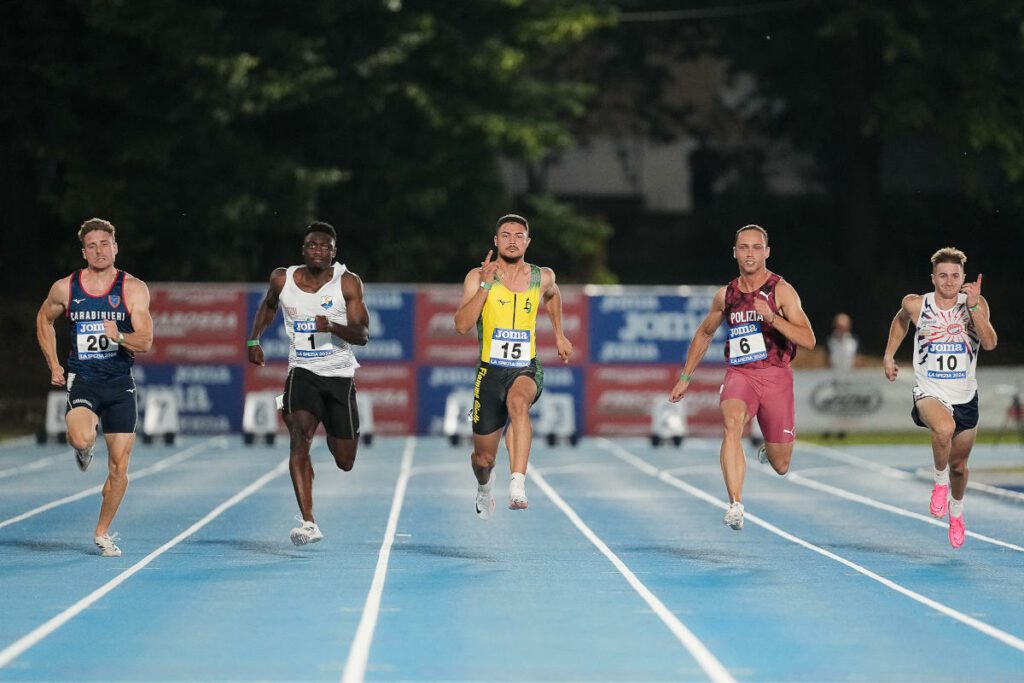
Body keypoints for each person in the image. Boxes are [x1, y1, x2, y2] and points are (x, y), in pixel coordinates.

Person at [668, 224, 816, 530]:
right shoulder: (726, 295)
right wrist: (685, 376)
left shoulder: (781, 290)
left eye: (756, 247)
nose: (750, 254)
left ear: (767, 252)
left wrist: (773, 318)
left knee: (781, 464)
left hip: (776, 376)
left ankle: (770, 445)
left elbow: (809, 339)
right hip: (741, 374)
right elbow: (704, 334)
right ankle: (735, 504)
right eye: (744, 248)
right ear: (735, 252)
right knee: (731, 425)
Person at [35, 218, 154, 557]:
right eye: (92, 245)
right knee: (82, 437)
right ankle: (83, 449)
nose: (99, 250)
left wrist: (116, 334)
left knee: (119, 467)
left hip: (119, 384)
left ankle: (102, 532)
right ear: (84, 251)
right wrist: (54, 364)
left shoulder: (132, 288)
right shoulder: (66, 288)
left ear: (115, 247)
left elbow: (145, 341)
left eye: (105, 244)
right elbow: (44, 319)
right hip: (84, 379)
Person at [247, 221, 369, 546]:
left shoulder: (347, 283)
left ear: (333, 252)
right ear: (303, 249)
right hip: (301, 371)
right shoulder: (282, 278)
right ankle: (308, 521)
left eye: (324, 246)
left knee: (345, 460)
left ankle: (332, 433)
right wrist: (253, 340)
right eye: (312, 245)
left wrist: (331, 326)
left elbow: (363, 334)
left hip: (339, 376)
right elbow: (269, 305)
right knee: (299, 437)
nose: (318, 251)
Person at [453, 214, 573, 518]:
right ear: (496, 240)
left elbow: (553, 294)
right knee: (483, 459)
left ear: (528, 242)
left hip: (526, 367)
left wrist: (559, 334)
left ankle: (517, 484)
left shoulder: (541, 276)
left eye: (519, 236)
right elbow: (462, 326)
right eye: (505, 235)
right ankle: (484, 487)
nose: (512, 240)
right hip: (489, 372)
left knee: (519, 403)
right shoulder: (477, 276)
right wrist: (485, 285)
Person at [883, 247, 997, 549]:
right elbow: (900, 320)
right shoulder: (917, 304)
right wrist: (888, 355)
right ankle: (938, 481)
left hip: (965, 396)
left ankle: (956, 512)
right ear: (933, 277)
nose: (949, 282)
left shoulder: (974, 303)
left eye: (955, 276)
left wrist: (973, 307)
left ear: (963, 278)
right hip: (929, 390)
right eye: (943, 275)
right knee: (943, 429)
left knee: (959, 466)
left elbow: (989, 343)